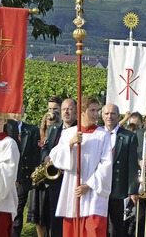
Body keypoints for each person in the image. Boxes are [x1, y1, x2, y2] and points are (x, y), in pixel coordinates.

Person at [49, 96, 112, 236]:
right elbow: (56, 158)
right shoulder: (68, 134)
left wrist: (88, 185)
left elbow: (106, 164)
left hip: (94, 192)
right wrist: (70, 144)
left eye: (97, 110)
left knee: (93, 230)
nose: (96, 114)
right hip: (72, 188)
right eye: (92, 110)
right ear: (82, 112)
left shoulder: (103, 135)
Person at [41, 98, 78, 237]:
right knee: (54, 213)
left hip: (71, 177)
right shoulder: (54, 128)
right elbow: (46, 147)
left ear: (76, 112)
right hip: (55, 179)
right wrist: (45, 157)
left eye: (69, 109)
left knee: (69, 214)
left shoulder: (79, 130)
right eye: (63, 109)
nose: (66, 112)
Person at [102, 103, 139, 237]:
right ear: (102, 116)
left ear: (118, 116)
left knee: (117, 226)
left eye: (112, 114)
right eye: (106, 114)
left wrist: (132, 190)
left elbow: (132, 165)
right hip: (100, 187)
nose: (109, 117)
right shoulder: (97, 134)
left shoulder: (129, 136)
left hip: (118, 188)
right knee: (101, 225)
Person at [7, 107, 41, 237]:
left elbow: (35, 155)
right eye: (13, 110)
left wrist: (27, 179)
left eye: (19, 110)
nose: (16, 113)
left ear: (23, 111)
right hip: (7, 177)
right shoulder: (5, 128)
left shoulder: (32, 130)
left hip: (23, 178)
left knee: (17, 211)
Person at [27, 111, 61, 237]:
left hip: (54, 180)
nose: (51, 128)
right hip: (39, 180)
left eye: (53, 125)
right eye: (48, 126)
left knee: (52, 216)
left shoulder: (59, 138)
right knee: (39, 217)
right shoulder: (38, 137)